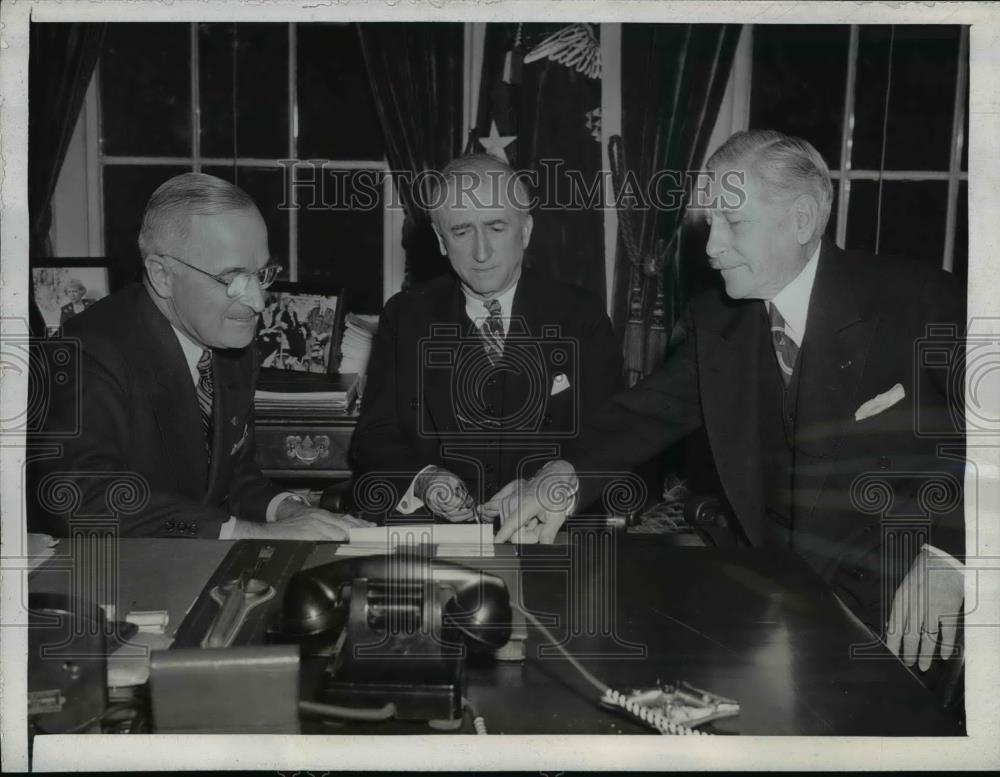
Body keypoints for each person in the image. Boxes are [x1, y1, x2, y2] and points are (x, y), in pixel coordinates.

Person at [490, 130, 966, 674]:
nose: (712, 246)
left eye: (733, 222)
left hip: (901, 610)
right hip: (771, 600)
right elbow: (643, 415)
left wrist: (950, 555)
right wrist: (561, 479)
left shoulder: (921, 300)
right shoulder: (716, 319)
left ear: (803, 221)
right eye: (709, 221)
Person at [31, 172, 370, 540]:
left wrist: (290, 511)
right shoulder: (85, 354)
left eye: (261, 275)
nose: (257, 302)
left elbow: (232, 475)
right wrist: (252, 532)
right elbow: (82, 502)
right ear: (162, 275)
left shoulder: (230, 342)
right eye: (232, 279)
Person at [349, 153, 621, 522]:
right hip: (437, 536)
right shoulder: (406, 316)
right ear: (441, 241)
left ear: (525, 232)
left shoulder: (581, 316)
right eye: (461, 231)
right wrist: (424, 481)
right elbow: (374, 436)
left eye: (496, 228)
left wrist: (548, 489)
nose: (481, 252)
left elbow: (610, 440)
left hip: (550, 531)